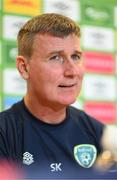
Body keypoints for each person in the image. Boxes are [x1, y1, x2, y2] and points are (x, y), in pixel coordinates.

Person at [0, 13, 104, 178]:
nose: (72, 71)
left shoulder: (98, 133)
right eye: (56, 57)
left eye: (76, 57)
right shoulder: (5, 133)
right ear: (24, 68)